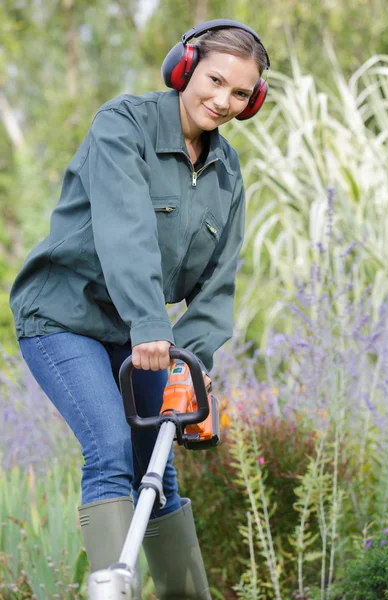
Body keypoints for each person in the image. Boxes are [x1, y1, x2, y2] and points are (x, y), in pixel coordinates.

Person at [9, 19, 270, 600]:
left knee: (159, 475)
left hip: (139, 334)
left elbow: (218, 284)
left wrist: (191, 361)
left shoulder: (227, 175)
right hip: (63, 316)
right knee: (109, 449)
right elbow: (125, 230)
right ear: (184, 67)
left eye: (239, 94)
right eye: (214, 80)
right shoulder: (123, 124)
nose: (222, 100)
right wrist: (153, 326)